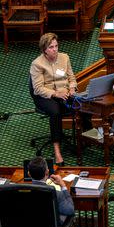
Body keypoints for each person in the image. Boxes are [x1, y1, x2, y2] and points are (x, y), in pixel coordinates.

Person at [30, 33, 92, 165]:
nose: (55, 49)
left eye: (56, 46)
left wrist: (72, 88)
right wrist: (55, 93)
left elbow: (72, 78)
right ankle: (57, 151)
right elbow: (38, 89)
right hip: (45, 96)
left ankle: (87, 139)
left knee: (85, 105)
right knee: (55, 112)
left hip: (65, 93)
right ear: (44, 50)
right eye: (51, 47)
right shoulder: (37, 64)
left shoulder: (64, 58)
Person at [27, 156, 76, 227]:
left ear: (29, 174)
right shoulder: (56, 194)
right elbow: (70, 210)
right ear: (47, 172)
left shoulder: (20, 192)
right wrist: (63, 185)